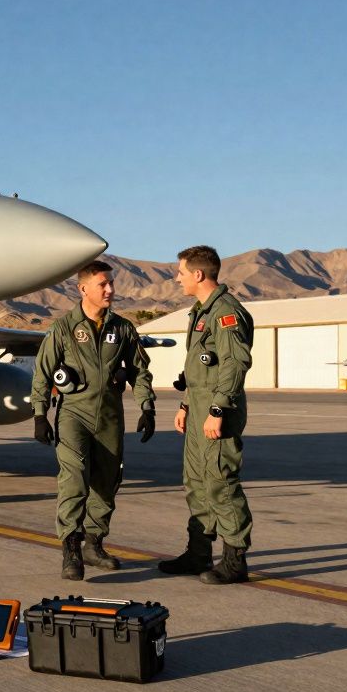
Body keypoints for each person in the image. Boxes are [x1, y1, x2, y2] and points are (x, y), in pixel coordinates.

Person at [31, 260, 156, 580]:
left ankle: (94, 543)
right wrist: (40, 415)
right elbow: (43, 373)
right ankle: (71, 549)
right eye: (103, 284)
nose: (110, 289)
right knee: (74, 479)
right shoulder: (62, 329)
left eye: (111, 283)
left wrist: (146, 406)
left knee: (107, 481)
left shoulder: (123, 328)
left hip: (110, 416)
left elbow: (140, 370)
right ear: (83, 288)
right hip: (74, 413)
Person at [159, 245, 255, 584]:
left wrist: (217, 409)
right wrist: (187, 405)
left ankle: (234, 560)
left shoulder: (225, 312)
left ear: (198, 274)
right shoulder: (200, 312)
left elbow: (234, 363)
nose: (177, 277)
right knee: (196, 482)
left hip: (219, 409)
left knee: (220, 481)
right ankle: (199, 553)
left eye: (181, 272)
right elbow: (200, 369)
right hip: (200, 407)